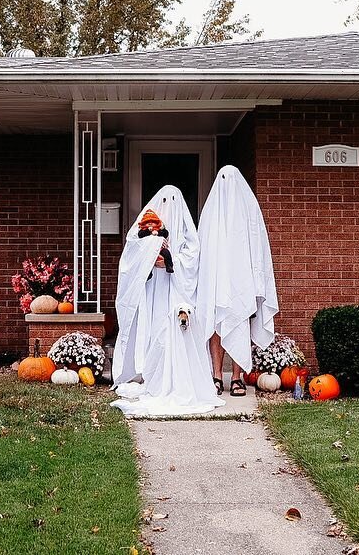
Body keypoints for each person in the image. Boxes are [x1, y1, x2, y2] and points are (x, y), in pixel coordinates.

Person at [111, 185, 224, 416]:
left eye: (173, 200)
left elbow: (192, 257)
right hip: (153, 290)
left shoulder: (186, 231)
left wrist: (173, 261)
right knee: (153, 331)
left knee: (172, 331)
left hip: (174, 289)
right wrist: (149, 257)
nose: (168, 205)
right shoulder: (146, 228)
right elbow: (132, 253)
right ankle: (151, 376)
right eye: (163, 200)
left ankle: (175, 376)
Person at [196, 165, 279, 398]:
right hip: (216, 282)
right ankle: (216, 375)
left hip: (241, 284)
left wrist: (256, 283)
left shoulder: (249, 210)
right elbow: (203, 248)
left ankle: (237, 378)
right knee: (216, 327)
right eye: (224, 179)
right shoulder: (211, 212)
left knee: (239, 325)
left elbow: (258, 247)